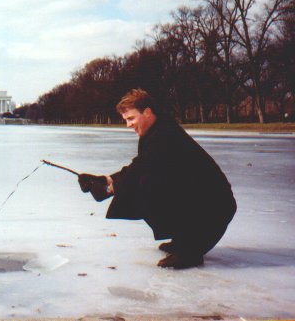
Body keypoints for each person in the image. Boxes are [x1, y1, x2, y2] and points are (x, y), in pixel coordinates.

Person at [78, 89, 236, 269]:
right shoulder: (156, 130)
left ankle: (190, 250)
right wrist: (105, 180)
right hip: (207, 206)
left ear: (147, 112)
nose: (128, 125)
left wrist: (108, 188)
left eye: (131, 118)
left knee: (147, 185)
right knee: (147, 182)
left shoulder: (164, 134)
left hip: (214, 211)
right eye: (126, 120)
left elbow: (140, 170)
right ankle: (184, 238)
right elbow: (140, 165)